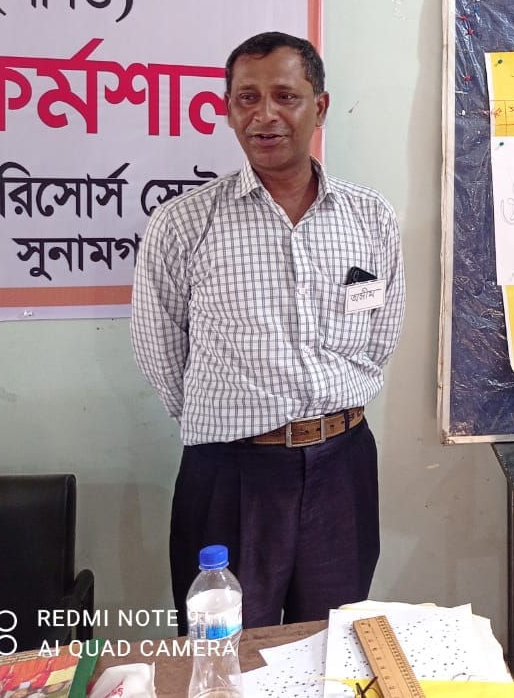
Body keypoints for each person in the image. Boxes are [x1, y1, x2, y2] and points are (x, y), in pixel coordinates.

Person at [131, 31, 406, 629]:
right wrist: (238, 422)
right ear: (228, 110)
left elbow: (381, 334)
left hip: (343, 464)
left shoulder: (370, 217)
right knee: (225, 649)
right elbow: (159, 347)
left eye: (285, 96)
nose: (265, 115)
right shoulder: (184, 224)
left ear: (320, 108)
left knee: (332, 640)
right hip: (232, 473)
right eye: (247, 98)